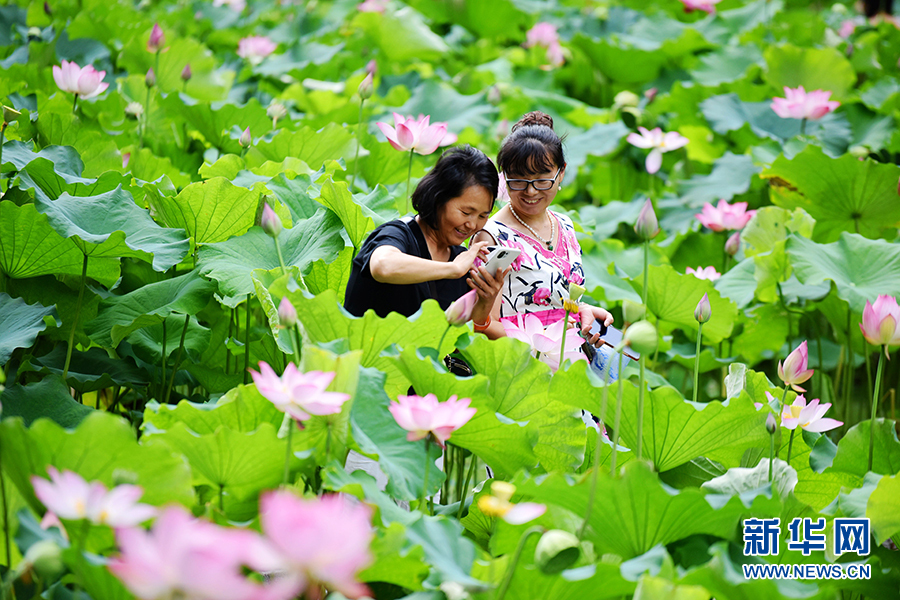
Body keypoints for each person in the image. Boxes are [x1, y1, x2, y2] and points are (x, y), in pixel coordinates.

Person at [472, 111, 613, 346]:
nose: (531, 191)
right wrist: (547, 340)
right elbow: (482, 323)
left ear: (561, 173)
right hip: (521, 365)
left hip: (567, 355)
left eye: (541, 180)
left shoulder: (565, 225)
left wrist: (583, 314)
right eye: (518, 180)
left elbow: (555, 302)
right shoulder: (492, 236)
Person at [344, 145, 507, 328]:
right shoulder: (397, 234)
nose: (472, 224)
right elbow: (382, 266)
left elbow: (459, 336)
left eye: (482, 216)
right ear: (438, 197)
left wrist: (485, 301)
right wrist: (452, 269)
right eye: (465, 212)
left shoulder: (460, 258)